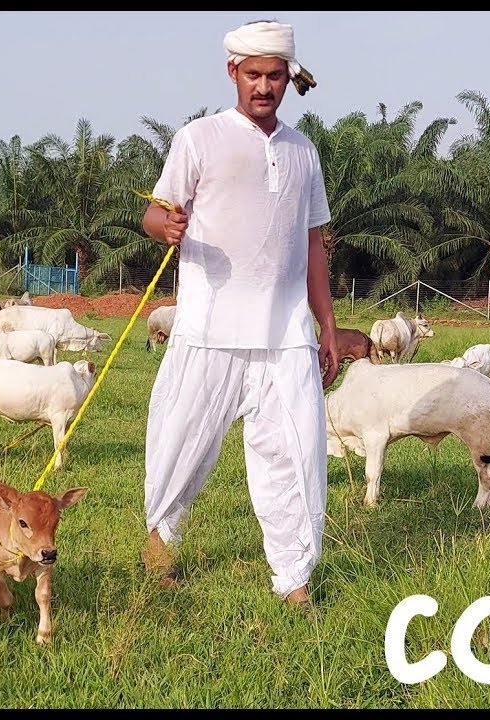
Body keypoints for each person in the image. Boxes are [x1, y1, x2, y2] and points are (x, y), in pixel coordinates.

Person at [139, 19, 339, 609]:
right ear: (232, 72)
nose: (263, 86)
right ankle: (160, 548)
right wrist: (164, 225)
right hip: (208, 328)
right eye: (252, 74)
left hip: (285, 333)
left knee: (296, 456)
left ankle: (294, 581)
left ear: (287, 79)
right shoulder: (198, 139)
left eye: (274, 76)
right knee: (181, 442)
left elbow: (314, 246)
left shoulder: (304, 153)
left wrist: (326, 325)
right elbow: (156, 212)